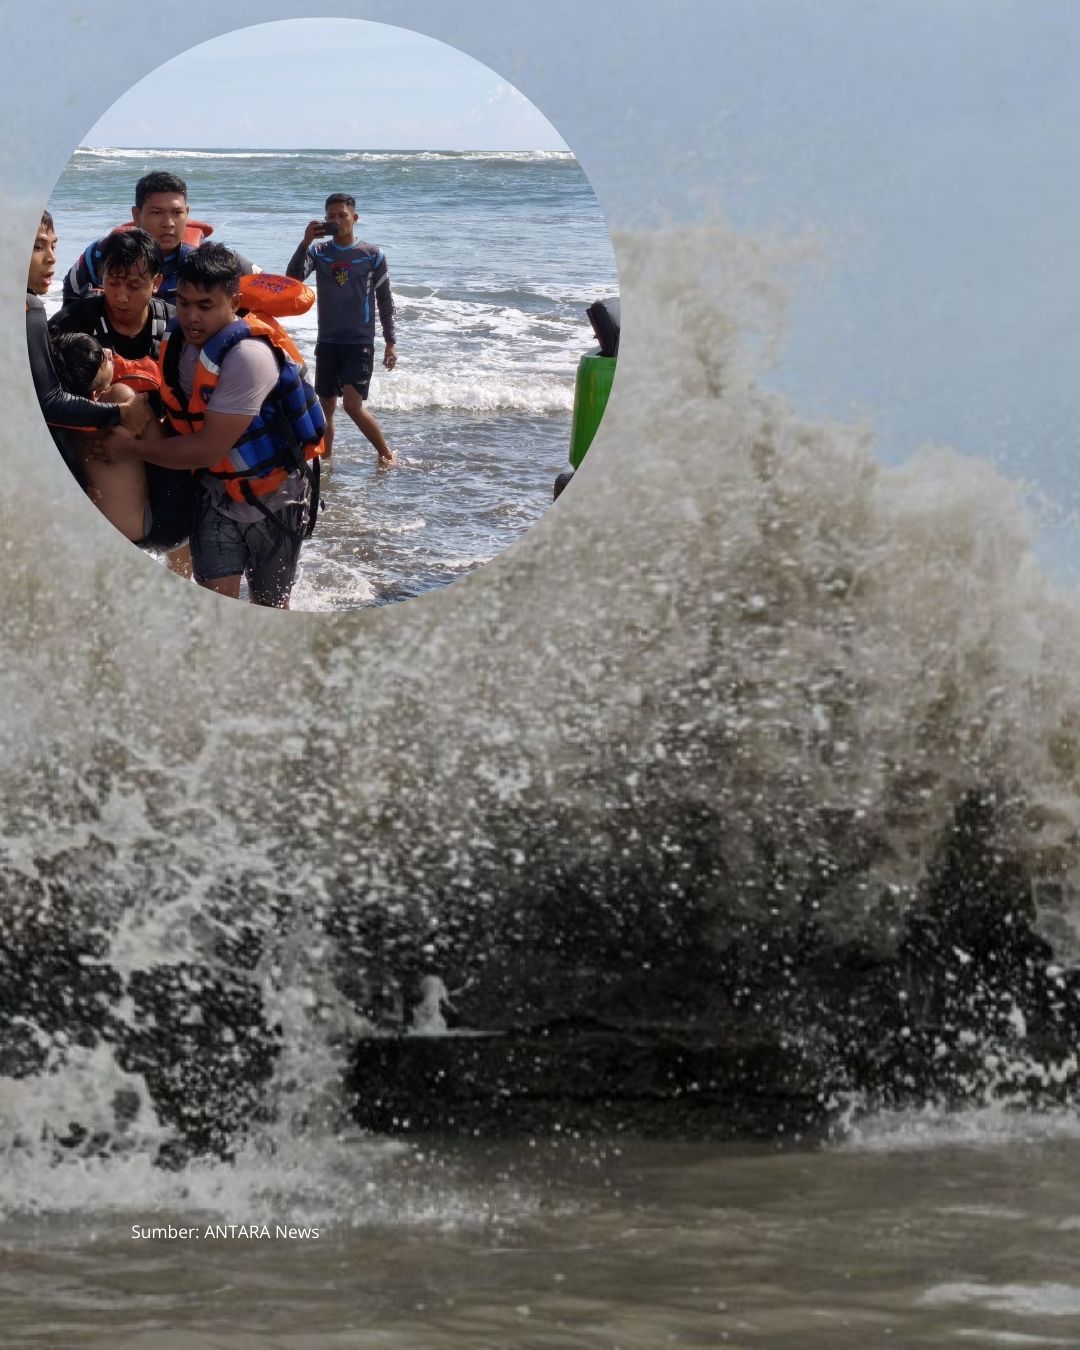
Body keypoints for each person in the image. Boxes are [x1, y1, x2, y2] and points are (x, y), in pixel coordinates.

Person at [98, 243, 325, 609]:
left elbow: (207, 448)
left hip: (274, 495)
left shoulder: (248, 357)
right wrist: (139, 405)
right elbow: (180, 404)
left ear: (234, 302)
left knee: (270, 606)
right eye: (185, 303)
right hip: (214, 495)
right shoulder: (177, 341)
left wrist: (129, 448)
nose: (191, 317)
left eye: (206, 306)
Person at [51, 228, 195, 564]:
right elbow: (47, 405)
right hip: (103, 468)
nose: (121, 296)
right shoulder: (74, 324)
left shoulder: (177, 326)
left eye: (134, 286)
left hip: (168, 456)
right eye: (113, 283)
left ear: (156, 283)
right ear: (101, 277)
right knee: (119, 393)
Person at [26, 211, 153, 492]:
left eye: (53, 246)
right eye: (37, 246)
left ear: (155, 283)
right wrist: (119, 413)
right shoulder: (28, 308)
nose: (51, 257)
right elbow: (47, 404)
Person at [286, 192, 397, 464]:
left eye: (342, 216)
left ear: (354, 218)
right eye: (330, 217)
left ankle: (386, 454)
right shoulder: (319, 252)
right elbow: (292, 280)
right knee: (327, 407)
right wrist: (305, 242)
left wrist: (390, 341)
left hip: (359, 343)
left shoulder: (372, 255)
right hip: (328, 341)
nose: (336, 221)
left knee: (352, 405)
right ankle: (327, 462)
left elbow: (385, 300)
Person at [62, 170, 256, 305]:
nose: (168, 223)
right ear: (137, 215)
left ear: (187, 213)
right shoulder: (102, 253)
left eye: (177, 213)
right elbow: (71, 292)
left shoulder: (210, 258)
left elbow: (265, 285)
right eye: (156, 213)